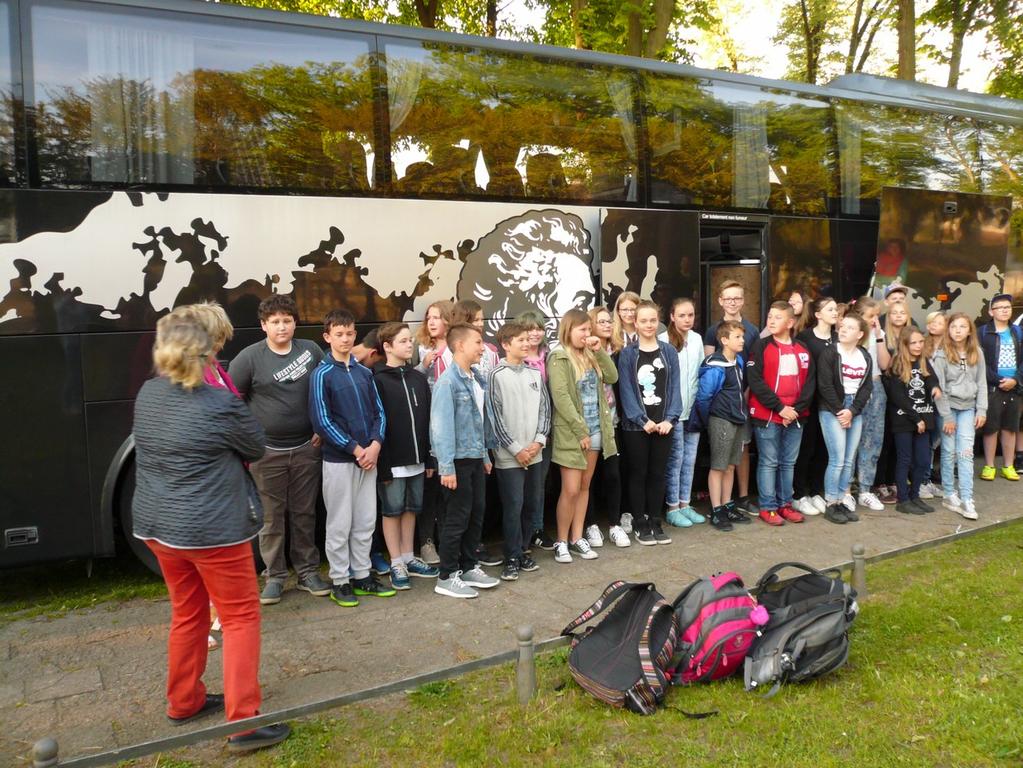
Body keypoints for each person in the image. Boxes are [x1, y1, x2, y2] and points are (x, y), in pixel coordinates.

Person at [133, 307, 290, 753]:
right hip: (212, 530)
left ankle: (184, 701)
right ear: (206, 355)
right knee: (240, 618)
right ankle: (243, 723)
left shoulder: (148, 393)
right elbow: (256, 446)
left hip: (157, 526)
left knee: (188, 613)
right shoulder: (219, 403)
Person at [228, 294, 330, 606]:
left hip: (305, 449)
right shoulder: (249, 358)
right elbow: (232, 401)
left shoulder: (310, 351)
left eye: (287, 320)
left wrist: (320, 429)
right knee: (271, 518)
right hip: (266, 453)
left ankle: (308, 572)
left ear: (294, 323)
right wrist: (249, 441)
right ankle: (274, 576)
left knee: (304, 513)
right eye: (275, 322)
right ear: (263, 326)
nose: (282, 327)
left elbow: (326, 386)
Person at [309, 308, 394, 607]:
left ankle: (362, 575)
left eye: (349, 333)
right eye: (339, 334)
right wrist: (356, 449)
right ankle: (340, 580)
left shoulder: (364, 372)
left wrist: (375, 445)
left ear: (355, 334)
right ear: (327, 336)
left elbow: (379, 413)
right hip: (340, 461)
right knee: (339, 523)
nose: (345, 339)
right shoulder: (322, 374)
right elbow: (322, 420)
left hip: (368, 459)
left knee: (365, 521)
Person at [430, 323, 500, 598]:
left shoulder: (476, 378)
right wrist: (446, 467)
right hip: (456, 461)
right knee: (456, 518)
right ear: (460, 345)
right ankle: (447, 575)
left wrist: (484, 454)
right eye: (478, 342)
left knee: (475, 513)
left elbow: (479, 421)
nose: (483, 348)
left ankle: (469, 565)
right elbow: (441, 427)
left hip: (474, 457)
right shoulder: (448, 382)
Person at [372, 322, 441, 590]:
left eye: (410, 340)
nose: (409, 344)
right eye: (402, 341)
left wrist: (429, 458)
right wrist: (384, 465)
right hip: (393, 462)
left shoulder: (417, 378)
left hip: (418, 461)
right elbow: (378, 424)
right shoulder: (377, 380)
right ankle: (396, 562)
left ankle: (409, 557)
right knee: (392, 510)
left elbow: (426, 421)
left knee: (412, 508)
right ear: (387, 346)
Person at [548, 309, 619, 563]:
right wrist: (580, 431)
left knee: (585, 486)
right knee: (570, 489)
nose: (587, 334)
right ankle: (561, 541)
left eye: (589, 329)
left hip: (597, 429)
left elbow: (612, 376)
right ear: (569, 330)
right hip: (572, 434)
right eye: (583, 330)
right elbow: (562, 398)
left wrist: (599, 350)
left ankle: (578, 538)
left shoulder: (591, 353)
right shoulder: (559, 357)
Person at [486, 321, 550, 580]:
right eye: (519, 340)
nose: (526, 344)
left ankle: (523, 550)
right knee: (513, 505)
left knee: (531, 505)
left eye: (527, 339)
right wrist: (515, 449)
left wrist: (538, 441)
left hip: (535, 453)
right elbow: (494, 418)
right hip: (509, 457)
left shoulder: (535, 374)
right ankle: (511, 556)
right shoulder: (496, 375)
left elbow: (545, 410)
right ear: (505, 344)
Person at [617, 301, 682, 545]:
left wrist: (670, 418)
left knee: (658, 474)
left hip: (663, 424)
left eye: (652, 320)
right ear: (635, 322)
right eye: (643, 321)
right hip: (637, 427)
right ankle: (639, 523)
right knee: (638, 474)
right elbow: (625, 390)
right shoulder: (627, 354)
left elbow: (675, 387)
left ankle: (655, 520)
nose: (648, 325)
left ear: (659, 322)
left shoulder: (669, 351)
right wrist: (641, 420)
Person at [746, 301, 815, 526]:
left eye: (777, 317)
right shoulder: (760, 346)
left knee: (788, 462)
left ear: (791, 322)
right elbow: (755, 381)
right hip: (768, 416)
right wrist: (780, 408)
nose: (771, 320)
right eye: (770, 316)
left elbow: (810, 383)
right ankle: (768, 507)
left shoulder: (803, 349)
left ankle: (785, 504)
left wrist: (794, 410)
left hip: (795, 417)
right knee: (769, 462)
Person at [704, 279, 760, 517]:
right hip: (724, 405)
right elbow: (710, 369)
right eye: (728, 298)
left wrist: (746, 393)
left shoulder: (752, 330)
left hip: (745, 396)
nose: (732, 302)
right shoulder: (712, 330)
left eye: (737, 298)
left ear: (743, 300)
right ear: (720, 301)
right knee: (722, 456)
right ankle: (720, 505)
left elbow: (753, 366)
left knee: (742, 448)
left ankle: (742, 496)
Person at [816, 313, 873, 524]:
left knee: (849, 460)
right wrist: (841, 411)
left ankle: (841, 500)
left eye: (850, 328)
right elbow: (825, 385)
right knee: (837, 459)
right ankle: (831, 502)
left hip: (854, 410)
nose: (843, 329)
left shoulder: (865, 356)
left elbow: (867, 386)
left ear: (859, 334)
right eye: (842, 326)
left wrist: (853, 411)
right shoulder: (830, 353)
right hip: (832, 409)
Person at [694, 321, 749, 532]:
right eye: (737, 337)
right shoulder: (715, 365)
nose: (742, 340)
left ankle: (727, 504)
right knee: (718, 466)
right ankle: (716, 509)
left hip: (738, 419)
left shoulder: (739, 361)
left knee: (731, 465)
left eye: (742, 337)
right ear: (724, 340)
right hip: (721, 419)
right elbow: (704, 397)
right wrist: (711, 419)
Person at [932, 313, 987, 520]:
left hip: (968, 408)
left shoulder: (977, 353)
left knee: (965, 452)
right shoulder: (941, 355)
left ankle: (967, 497)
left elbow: (981, 383)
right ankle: (948, 493)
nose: (957, 330)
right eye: (953, 326)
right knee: (948, 452)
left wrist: (981, 410)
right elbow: (940, 388)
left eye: (962, 327)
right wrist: (946, 417)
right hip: (948, 408)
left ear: (969, 331)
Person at [412, 299, 454, 565]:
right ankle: (426, 541)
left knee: (450, 490)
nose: (432, 321)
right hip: (428, 426)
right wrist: (424, 364)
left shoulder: (456, 348)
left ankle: (450, 540)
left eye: (437, 317)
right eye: (429, 317)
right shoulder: (421, 349)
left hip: (452, 427)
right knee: (429, 488)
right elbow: (411, 380)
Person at [585, 306, 629, 547]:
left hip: (613, 420)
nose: (606, 325)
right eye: (600, 321)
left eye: (608, 321)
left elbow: (616, 381)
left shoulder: (618, 350)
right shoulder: (583, 352)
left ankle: (614, 524)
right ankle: (591, 525)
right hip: (591, 423)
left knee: (613, 474)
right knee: (589, 479)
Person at [660, 298, 705, 528]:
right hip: (673, 411)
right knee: (675, 460)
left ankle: (685, 504)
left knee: (690, 459)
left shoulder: (697, 339)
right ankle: (672, 507)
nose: (687, 320)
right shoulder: (663, 340)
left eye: (691, 315)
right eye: (682, 315)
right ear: (672, 316)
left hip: (693, 408)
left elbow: (699, 372)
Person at [886, 328, 941, 515]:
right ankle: (903, 499)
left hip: (923, 419)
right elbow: (897, 396)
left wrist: (934, 387)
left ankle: (915, 495)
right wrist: (916, 419)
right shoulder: (897, 365)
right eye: (913, 343)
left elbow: (932, 378)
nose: (918, 346)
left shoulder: (923, 362)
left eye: (920, 342)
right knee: (905, 459)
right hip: (904, 419)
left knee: (923, 461)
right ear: (905, 344)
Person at [792, 297, 838, 516]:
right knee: (806, 449)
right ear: (818, 314)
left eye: (836, 309)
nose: (835, 312)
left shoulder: (838, 338)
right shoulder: (805, 337)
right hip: (810, 402)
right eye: (830, 309)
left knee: (825, 449)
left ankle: (817, 490)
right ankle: (799, 493)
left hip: (832, 405)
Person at [517, 309, 556, 551]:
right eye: (530, 328)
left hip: (546, 429)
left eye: (539, 328)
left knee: (539, 483)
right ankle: (522, 531)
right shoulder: (515, 358)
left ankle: (537, 528)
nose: (535, 333)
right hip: (521, 431)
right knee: (521, 484)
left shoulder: (550, 356)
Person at [852, 296, 894, 510]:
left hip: (876, 386)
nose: (875, 319)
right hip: (854, 388)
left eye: (877, 315)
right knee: (851, 440)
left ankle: (865, 489)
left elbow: (885, 364)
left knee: (873, 439)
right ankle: (847, 488)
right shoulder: (850, 335)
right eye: (870, 316)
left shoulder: (879, 333)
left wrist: (878, 337)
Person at [978, 293, 1023, 481]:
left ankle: (1008, 465)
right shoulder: (982, 332)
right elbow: (980, 363)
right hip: (992, 386)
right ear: (991, 311)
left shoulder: (1018, 332)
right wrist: (997, 380)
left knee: (1010, 427)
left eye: (1008, 307)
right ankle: (989, 466)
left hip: (1015, 385)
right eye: (1000, 307)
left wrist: (1016, 379)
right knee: (991, 427)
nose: (1005, 310)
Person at [919, 311, 948, 500]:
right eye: (932, 322)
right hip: (927, 399)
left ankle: (927, 478)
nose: (935, 325)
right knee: (928, 441)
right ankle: (922, 480)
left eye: (939, 322)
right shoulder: (922, 345)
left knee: (937, 440)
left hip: (946, 399)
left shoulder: (951, 345)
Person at [448, 299, 501, 374]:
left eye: (482, 320)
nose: (481, 324)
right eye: (476, 320)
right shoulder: (445, 355)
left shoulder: (490, 351)